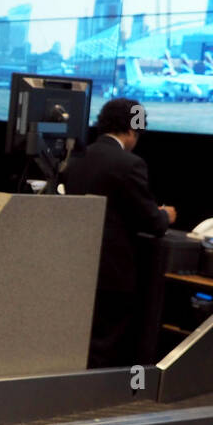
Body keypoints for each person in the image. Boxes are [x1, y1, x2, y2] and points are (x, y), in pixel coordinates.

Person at [63, 97, 177, 369]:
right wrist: (166, 215)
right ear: (131, 130)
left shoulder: (76, 159)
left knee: (79, 342)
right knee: (106, 346)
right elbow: (152, 222)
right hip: (112, 272)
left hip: (77, 266)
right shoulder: (129, 164)